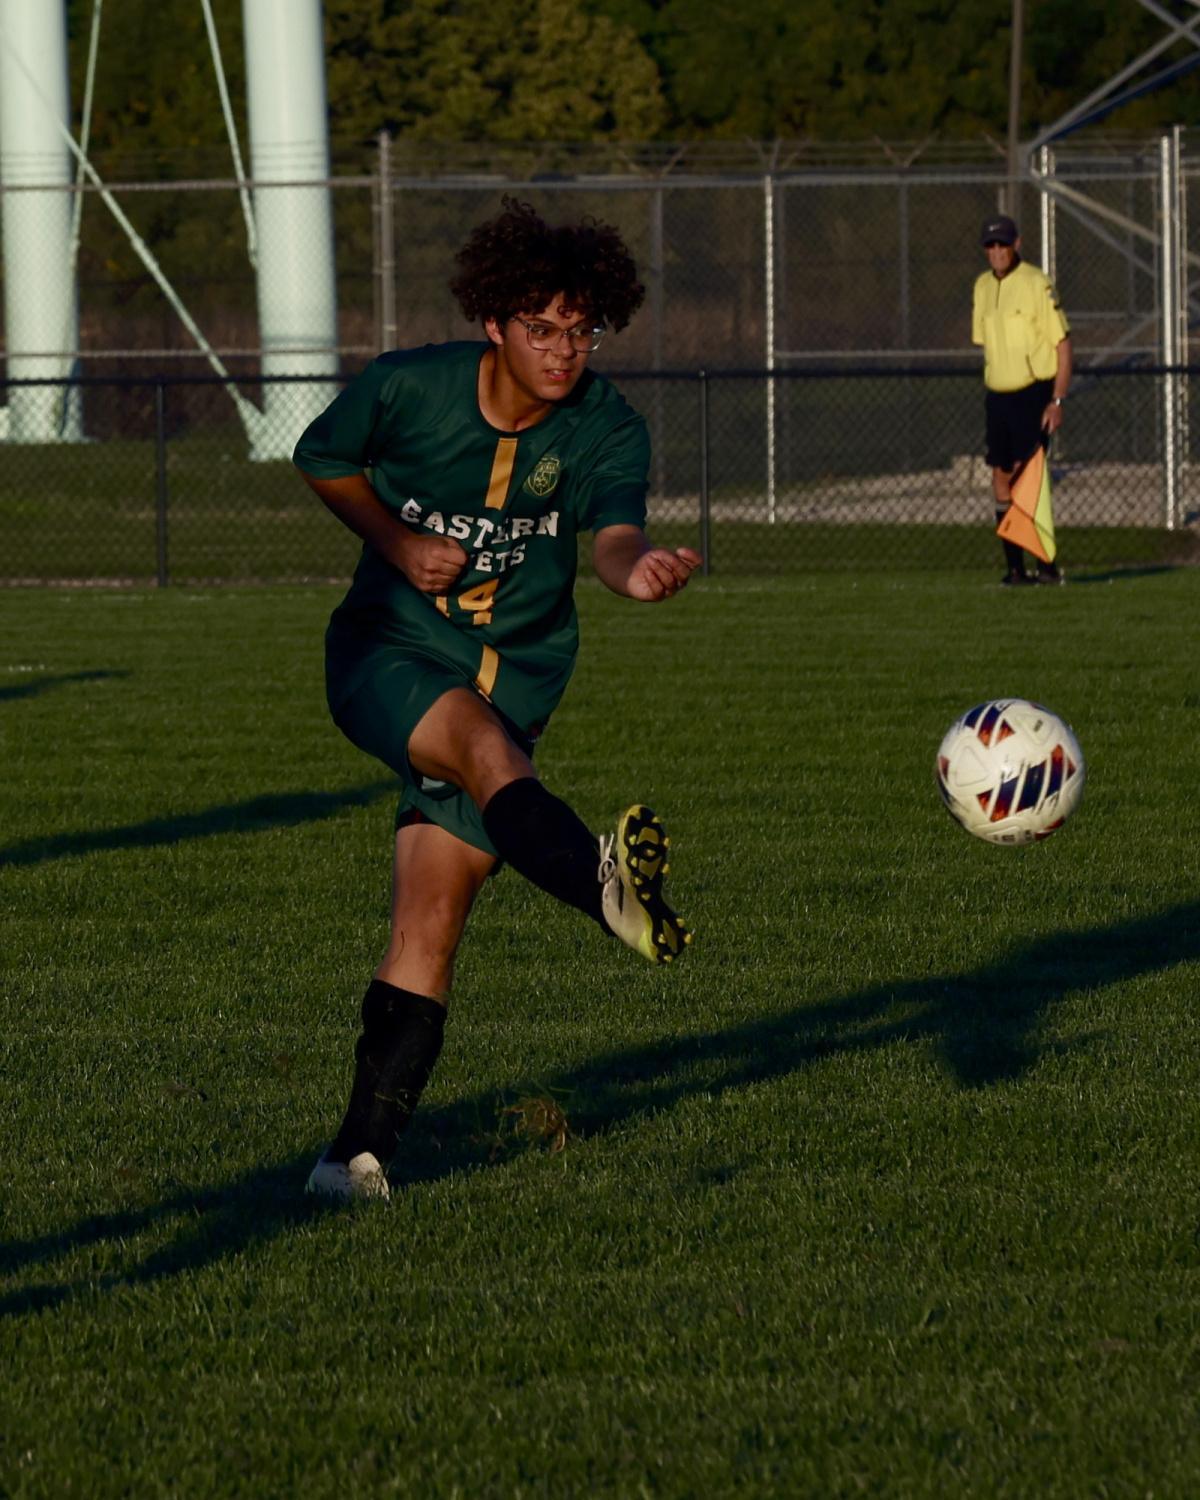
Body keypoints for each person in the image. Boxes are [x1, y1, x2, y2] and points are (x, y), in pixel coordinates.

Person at [292, 198, 700, 1202]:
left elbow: (608, 535)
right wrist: (395, 542)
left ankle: (351, 1162)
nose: (564, 351)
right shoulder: (408, 388)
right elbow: (323, 458)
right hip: (386, 657)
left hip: (514, 680)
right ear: (495, 324)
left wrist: (636, 566)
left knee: (430, 920)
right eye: (542, 329)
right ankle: (601, 884)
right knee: (481, 751)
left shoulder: (605, 425)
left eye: (580, 331)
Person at [971, 213, 1072, 585]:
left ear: (1017, 244)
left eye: (1003, 243)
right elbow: (986, 341)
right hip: (998, 394)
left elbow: (1062, 345)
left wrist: (1056, 401)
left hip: (1033, 394)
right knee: (1001, 476)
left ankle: (1046, 565)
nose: (997, 251)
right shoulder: (982, 286)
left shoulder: (1036, 283)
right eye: (990, 245)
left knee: (1029, 478)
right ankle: (1015, 568)